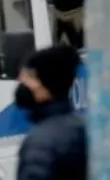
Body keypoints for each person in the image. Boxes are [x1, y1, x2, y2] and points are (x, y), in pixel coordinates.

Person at [14, 45, 87, 180]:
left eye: (29, 77)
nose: (22, 81)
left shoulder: (40, 144)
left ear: (46, 88)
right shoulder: (80, 129)